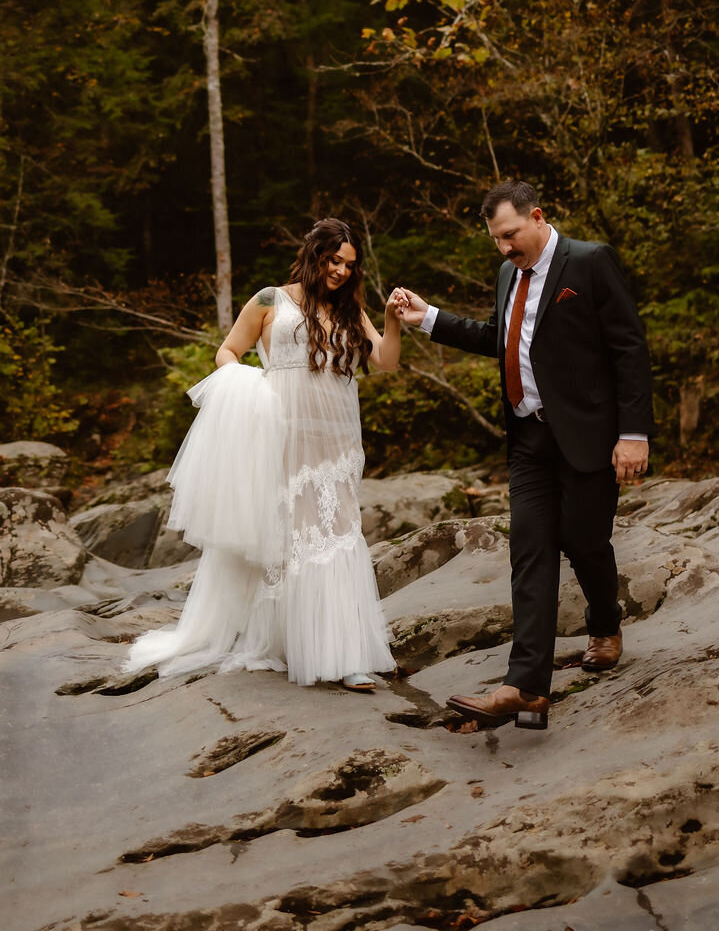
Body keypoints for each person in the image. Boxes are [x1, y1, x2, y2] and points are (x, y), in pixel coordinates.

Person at [400, 181, 653, 731]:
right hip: (528, 439)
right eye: (496, 240)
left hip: (587, 434)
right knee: (530, 550)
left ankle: (605, 624)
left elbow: (630, 348)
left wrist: (633, 433)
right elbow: (505, 338)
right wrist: (430, 319)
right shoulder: (507, 274)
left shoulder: (589, 262)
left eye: (510, 235)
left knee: (585, 541)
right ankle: (527, 687)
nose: (504, 248)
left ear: (538, 217)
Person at [125, 218, 406, 692]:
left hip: (335, 437)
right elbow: (227, 353)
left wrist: (393, 320)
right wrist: (249, 388)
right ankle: (291, 644)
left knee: (338, 535)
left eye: (349, 265)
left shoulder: (348, 309)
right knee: (289, 538)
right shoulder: (268, 300)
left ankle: (347, 653)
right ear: (314, 254)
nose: (339, 271)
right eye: (333, 260)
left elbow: (386, 361)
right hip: (280, 432)